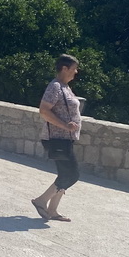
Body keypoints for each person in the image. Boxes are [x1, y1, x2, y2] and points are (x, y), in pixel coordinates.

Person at [31, 54, 82, 223]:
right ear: (64, 68)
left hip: (65, 139)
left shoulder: (64, 87)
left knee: (64, 173)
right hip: (57, 139)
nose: (76, 71)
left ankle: (52, 210)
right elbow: (44, 111)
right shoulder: (55, 87)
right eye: (74, 68)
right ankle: (41, 201)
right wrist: (65, 126)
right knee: (72, 174)